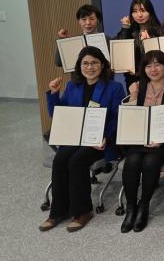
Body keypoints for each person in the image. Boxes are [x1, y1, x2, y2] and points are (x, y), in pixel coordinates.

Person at [40, 46, 125, 232]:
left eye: (94, 63)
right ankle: (58, 211)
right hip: (76, 137)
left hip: (101, 141)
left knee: (77, 161)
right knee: (60, 159)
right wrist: (53, 94)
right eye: (85, 63)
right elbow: (58, 114)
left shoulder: (114, 88)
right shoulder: (73, 86)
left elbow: (118, 118)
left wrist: (106, 137)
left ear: (102, 65)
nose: (90, 67)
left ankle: (83, 211)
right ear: (79, 66)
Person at [119, 50, 164, 233]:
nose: (153, 69)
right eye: (148, 65)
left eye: (157, 64)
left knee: (150, 161)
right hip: (140, 140)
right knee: (132, 161)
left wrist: (162, 140)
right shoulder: (138, 87)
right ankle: (131, 207)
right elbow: (130, 120)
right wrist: (133, 97)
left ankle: (144, 205)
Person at [115, 0, 162, 88]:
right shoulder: (128, 31)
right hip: (133, 79)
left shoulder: (159, 31)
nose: (139, 15)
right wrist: (125, 28)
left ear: (150, 12)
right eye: (135, 11)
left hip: (155, 77)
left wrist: (149, 43)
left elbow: (162, 58)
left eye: (143, 11)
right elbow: (119, 51)